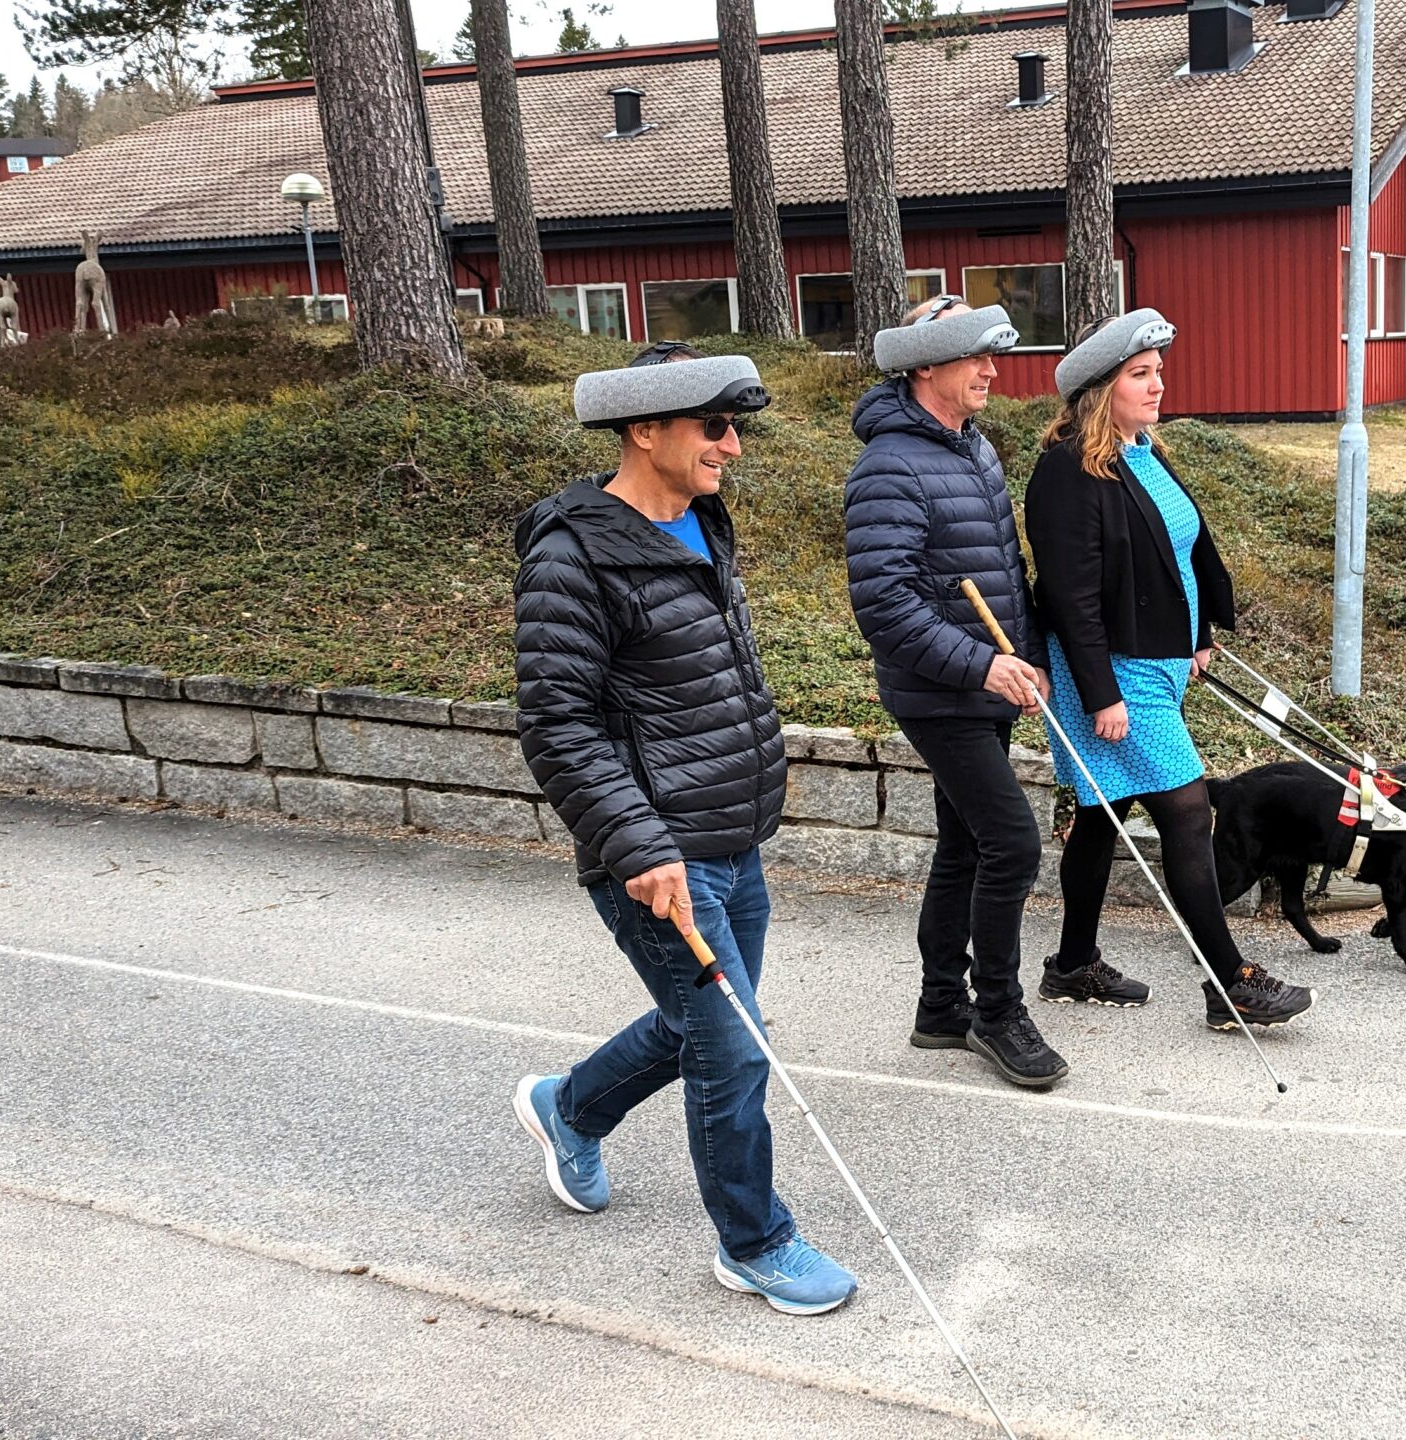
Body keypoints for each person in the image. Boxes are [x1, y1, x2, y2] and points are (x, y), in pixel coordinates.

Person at [508, 344, 858, 1316]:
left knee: (704, 1026)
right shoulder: (570, 555)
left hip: (731, 839)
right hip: (655, 855)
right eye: (714, 427)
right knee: (735, 1047)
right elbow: (557, 724)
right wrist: (639, 843)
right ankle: (757, 1245)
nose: (731, 448)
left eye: (733, 427)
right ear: (643, 429)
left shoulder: (702, 521)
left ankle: (567, 1109)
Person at [846, 296, 1150, 1091]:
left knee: (965, 845)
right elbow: (883, 604)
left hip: (987, 682)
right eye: (974, 357)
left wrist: (1028, 654)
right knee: (1012, 844)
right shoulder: (889, 466)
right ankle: (997, 1011)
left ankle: (940, 1008)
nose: (991, 371)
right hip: (937, 691)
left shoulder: (970, 447)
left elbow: (999, 571)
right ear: (924, 366)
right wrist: (982, 666)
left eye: (992, 355)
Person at [1023, 311, 1315, 1032]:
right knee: (1188, 811)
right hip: (1112, 672)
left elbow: (1178, 552)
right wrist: (1100, 693)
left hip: (1157, 662)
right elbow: (1070, 594)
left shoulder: (1142, 450)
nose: (1158, 385)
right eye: (1140, 374)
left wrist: (1200, 633)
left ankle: (1070, 967)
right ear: (1100, 388)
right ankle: (1229, 983)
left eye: (1157, 371)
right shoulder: (1068, 469)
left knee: (1102, 813)